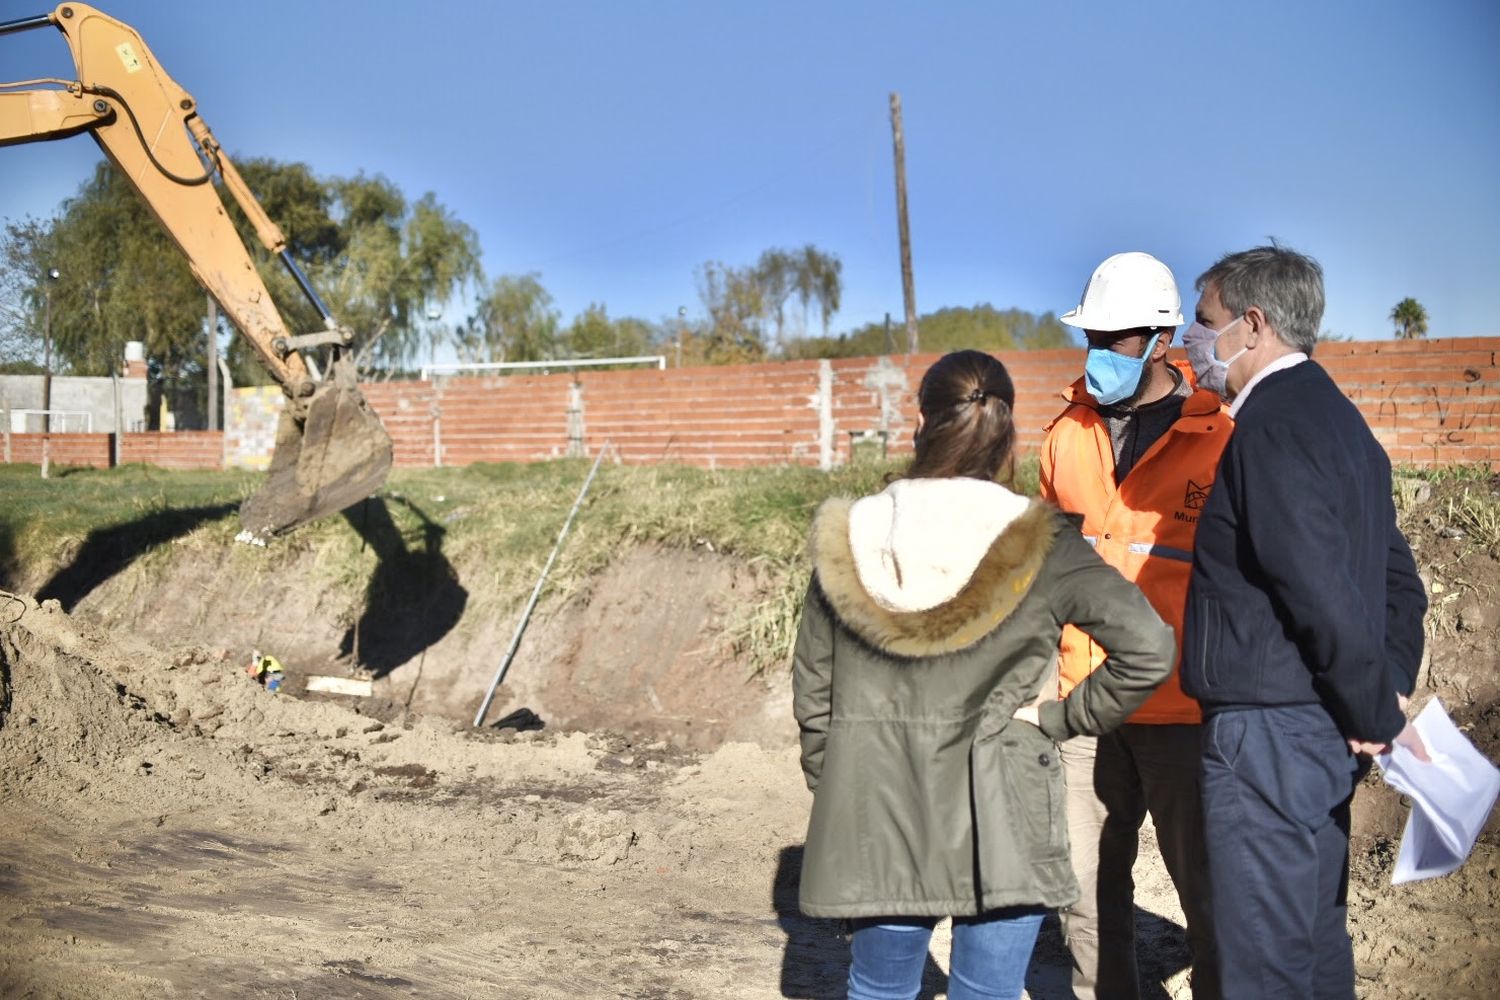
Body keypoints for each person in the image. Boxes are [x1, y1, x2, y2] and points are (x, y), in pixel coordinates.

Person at [792, 349, 1177, 1000]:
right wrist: (1061, 719)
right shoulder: (1043, 543)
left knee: (879, 990)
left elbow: (814, 695)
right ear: (1005, 430)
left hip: (880, 808)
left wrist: (838, 783)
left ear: (920, 421)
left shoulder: (851, 539)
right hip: (1007, 810)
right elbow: (1148, 647)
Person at [1180, 244, 1429, 999]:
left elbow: (1315, 584)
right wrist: (1376, 693)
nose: (1193, 342)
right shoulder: (1343, 423)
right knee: (1314, 947)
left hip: (1269, 740)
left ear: (1252, 326)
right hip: (1317, 732)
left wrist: (1371, 710)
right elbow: (1399, 589)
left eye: (1205, 322)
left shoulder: (1272, 427)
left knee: (1264, 965)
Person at [1041, 251, 1228, 999]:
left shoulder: (1221, 442)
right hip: (1086, 702)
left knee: (1210, 896)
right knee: (1083, 893)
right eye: (1091, 337)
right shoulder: (1064, 435)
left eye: (1115, 339)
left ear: (1161, 338)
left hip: (1183, 707)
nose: (1098, 355)